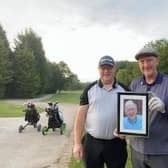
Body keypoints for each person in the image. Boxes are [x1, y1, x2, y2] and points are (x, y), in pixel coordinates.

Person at [73, 55, 127, 168]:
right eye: (103, 68)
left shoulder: (125, 89)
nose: (106, 71)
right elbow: (80, 118)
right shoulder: (89, 89)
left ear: (114, 69)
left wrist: (126, 131)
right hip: (92, 143)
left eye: (109, 68)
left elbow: (133, 114)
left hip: (116, 143)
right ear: (98, 69)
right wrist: (77, 143)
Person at [129, 47, 168, 168]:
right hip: (137, 149)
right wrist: (122, 127)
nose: (146, 65)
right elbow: (128, 110)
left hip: (161, 151)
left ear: (157, 61)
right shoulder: (135, 84)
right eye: (142, 62)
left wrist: (164, 108)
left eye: (149, 60)